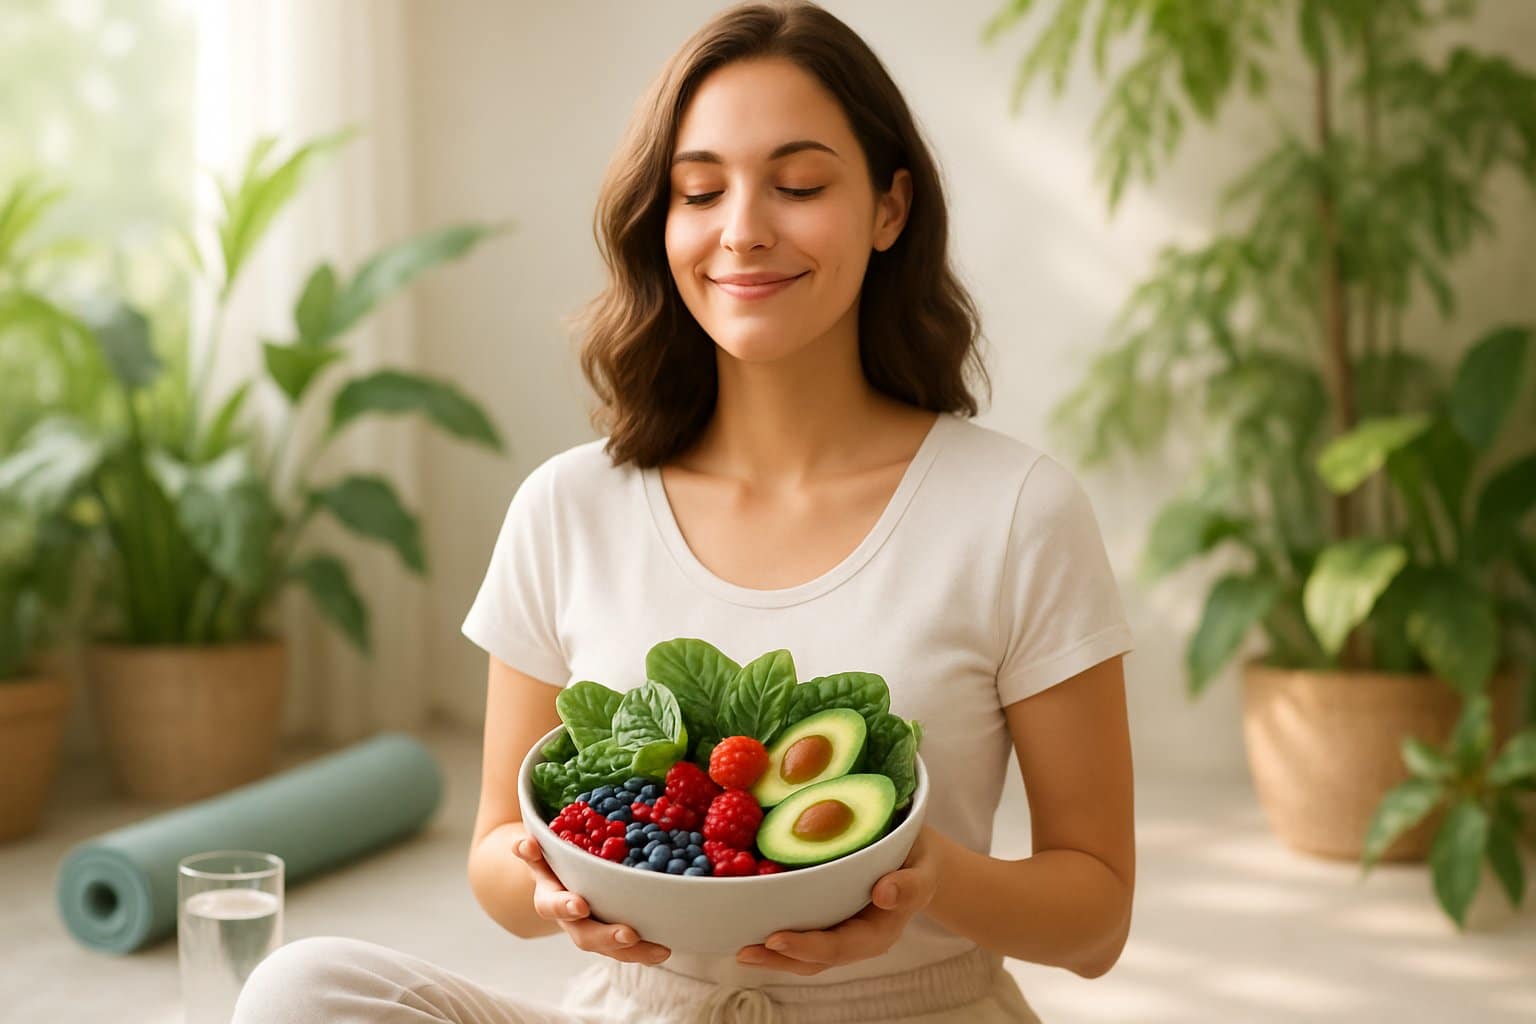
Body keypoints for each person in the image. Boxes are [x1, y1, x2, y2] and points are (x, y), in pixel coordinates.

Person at [231, 1, 1135, 1021]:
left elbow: (1097, 919)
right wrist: (552, 884)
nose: (743, 229)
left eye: (797, 184)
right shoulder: (566, 507)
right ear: (660, 223)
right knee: (299, 990)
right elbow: (494, 857)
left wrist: (927, 873)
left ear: (890, 210)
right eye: (700, 190)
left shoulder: (1015, 509)